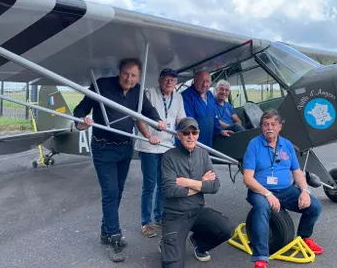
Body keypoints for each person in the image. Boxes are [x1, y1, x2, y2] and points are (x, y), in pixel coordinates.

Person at [73, 58, 166, 263]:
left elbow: (148, 110)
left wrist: (158, 120)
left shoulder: (138, 91)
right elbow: (80, 109)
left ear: (138, 77)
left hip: (125, 148)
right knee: (110, 193)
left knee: (119, 191)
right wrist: (82, 122)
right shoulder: (101, 86)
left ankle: (105, 232)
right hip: (103, 147)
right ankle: (115, 238)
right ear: (119, 72)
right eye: (125, 73)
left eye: (133, 75)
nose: (129, 79)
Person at [242, 109, 324, 268]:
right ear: (261, 127)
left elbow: (297, 172)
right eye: (265, 124)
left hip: (285, 190)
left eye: (273, 124)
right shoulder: (254, 145)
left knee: (314, 206)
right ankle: (260, 256)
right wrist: (268, 194)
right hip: (260, 190)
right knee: (262, 208)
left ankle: (305, 238)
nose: (269, 127)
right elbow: (247, 179)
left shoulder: (286, 145)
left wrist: (305, 192)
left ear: (280, 126)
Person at [159, 117, 234, 268]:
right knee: (172, 265)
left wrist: (188, 183)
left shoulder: (203, 155)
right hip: (175, 214)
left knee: (227, 229)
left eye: (194, 132)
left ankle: (199, 243)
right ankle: (167, 243)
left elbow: (215, 186)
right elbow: (170, 190)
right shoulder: (168, 157)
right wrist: (201, 184)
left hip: (198, 211)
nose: (191, 136)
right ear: (178, 135)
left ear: (198, 134)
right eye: (186, 133)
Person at [134, 68, 186, 238]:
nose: (169, 82)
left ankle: (159, 217)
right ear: (159, 80)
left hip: (167, 147)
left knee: (164, 185)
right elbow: (138, 118)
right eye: (166, 79)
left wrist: (189, 136)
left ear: (176, 82)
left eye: (172, 79)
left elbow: (181, 121)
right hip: (149, 146)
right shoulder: (149, 94)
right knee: (149, 185)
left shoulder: (178, 97)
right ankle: (145, 223)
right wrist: (149, 136)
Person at [181, 70, 233, 147]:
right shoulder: (186, 96)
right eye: (201, 81)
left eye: (207, 81)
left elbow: (213, 117)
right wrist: (192, 141)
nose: (204, 84)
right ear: (194, 80)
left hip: (208, 142)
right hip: (194, 143)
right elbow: (189, 122)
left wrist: (220, 131)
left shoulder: (210, 95)